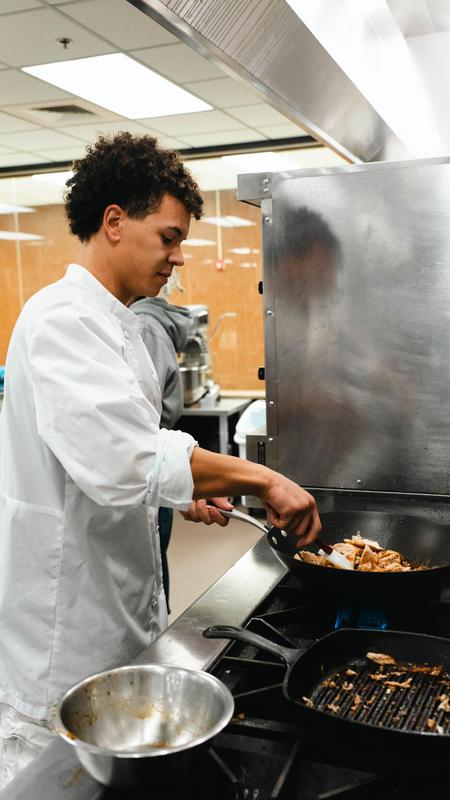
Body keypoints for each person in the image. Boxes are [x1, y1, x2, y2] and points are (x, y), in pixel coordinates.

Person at [0, 132, 321, 788]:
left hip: (117, 611)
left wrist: (183, 491)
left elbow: (112, 458)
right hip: (64, 633)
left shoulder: (116, 323)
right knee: (53, 781)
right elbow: (125, 457)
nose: (178, 257)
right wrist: (264, 477)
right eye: (169, 236)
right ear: (114, 221)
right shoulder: (61, 319)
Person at [130, 295, 193, 612]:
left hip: (154, 460)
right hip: (155, 460)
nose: (177, 259)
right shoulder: (149, 321)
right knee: (154, 555)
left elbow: (139, 418)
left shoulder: (144, 324)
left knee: (154, 557)